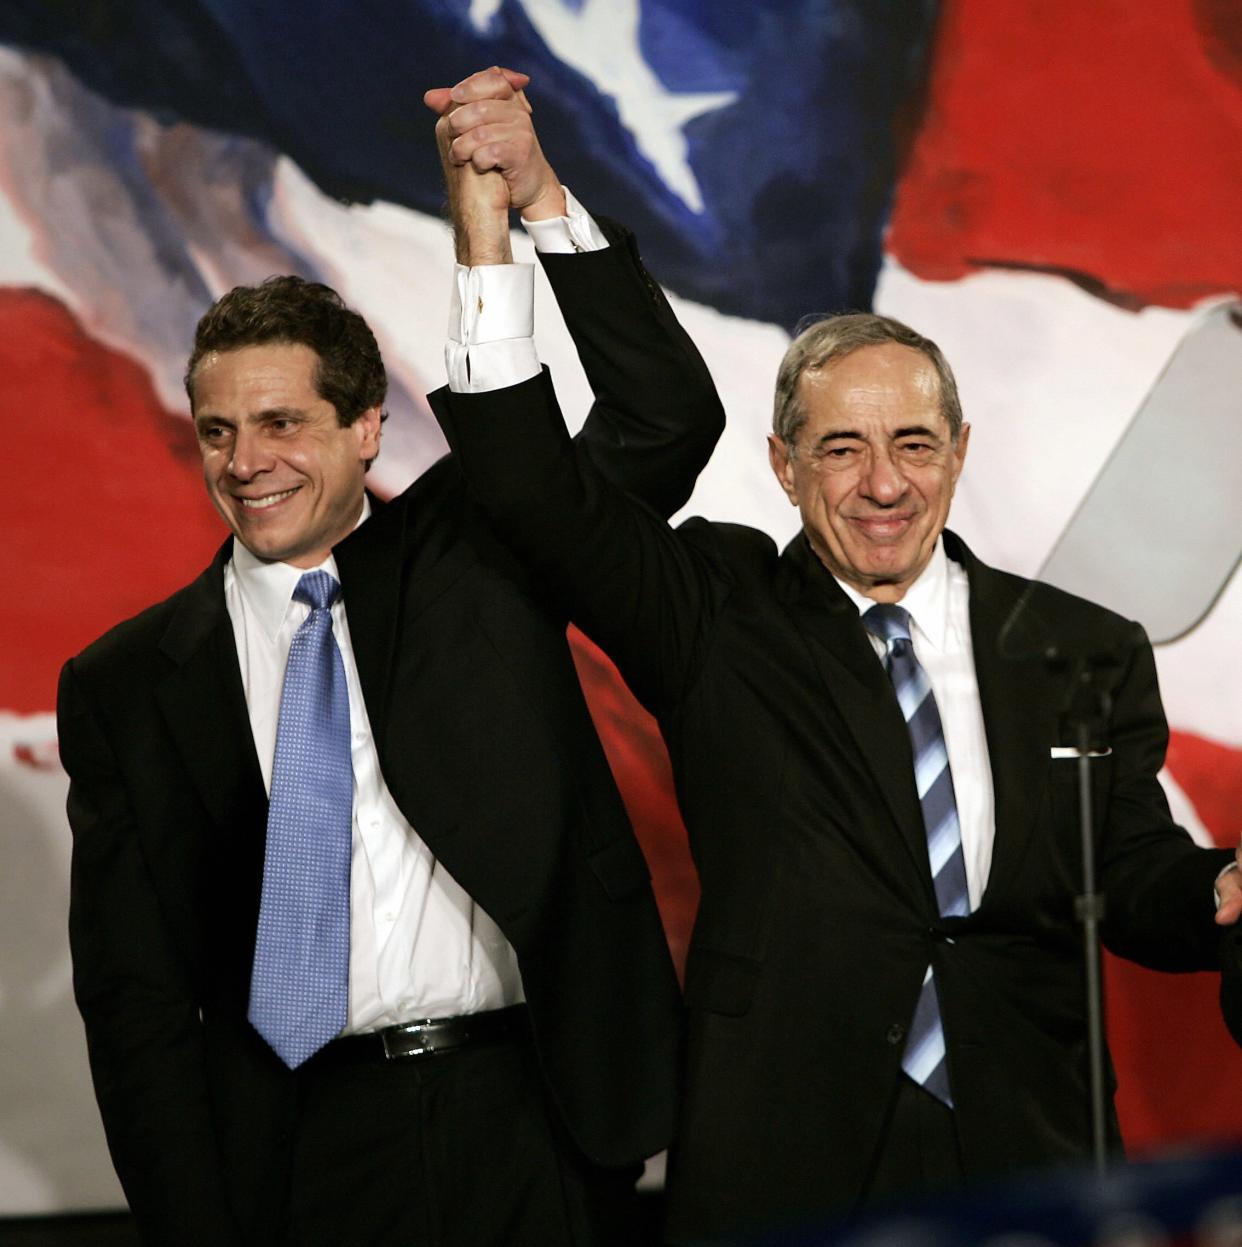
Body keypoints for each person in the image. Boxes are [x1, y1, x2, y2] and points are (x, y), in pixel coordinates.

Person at [56, 67, 723, 1246]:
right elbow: (138, 999)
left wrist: (539, 203)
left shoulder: (481, 549)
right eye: (219, 430)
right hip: (298, 1152)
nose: (246, 461)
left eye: (282, 423)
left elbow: (665, 418)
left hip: (531, 1120)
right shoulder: (127, 683)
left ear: (367, 428)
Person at [431, 309, 1242, 1240]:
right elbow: (540, 495)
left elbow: (1128, 865)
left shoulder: (1078, 648)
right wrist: (510, 224)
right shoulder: (717, 617)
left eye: (913, 443)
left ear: (961, 450)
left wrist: (1214, 881)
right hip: (788, 1149)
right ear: (785, 466)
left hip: (1027, 1143)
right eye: (843, 449)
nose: (884, 483)